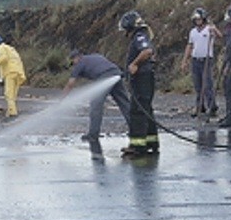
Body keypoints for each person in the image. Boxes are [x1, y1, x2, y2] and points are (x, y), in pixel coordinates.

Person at [63, 50, 131, 158]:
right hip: (116, 73)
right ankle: (136, 130)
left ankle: (93, 135)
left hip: (105, 77)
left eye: (73, 63)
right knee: (125, 104)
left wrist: (62, 100)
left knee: (95, 105)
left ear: (76, 58)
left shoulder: (80, 63)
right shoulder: (95, 56)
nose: (73, 65)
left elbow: (70, 84)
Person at [118, 10, 159, 157]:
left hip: (143, 79)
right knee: (146, 110)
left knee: (138, 111)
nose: (125, 33)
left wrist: (134, 64)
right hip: (143, 79)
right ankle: (151, 142)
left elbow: (147, 51)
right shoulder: (141, 35)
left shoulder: (140, 36)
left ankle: (138, 146)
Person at [180, 7, 222, 117]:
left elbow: (220, 36)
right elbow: (190, 46)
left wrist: (215, 30)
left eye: (199, 19)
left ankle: (212, 106)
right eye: (196, 20)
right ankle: (200, 106)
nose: (197, 21)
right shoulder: (193, 32)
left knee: (208, 84)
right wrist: (185, 60)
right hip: (195, 60)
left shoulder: (209, 29)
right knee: (198, 84)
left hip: (206, 59)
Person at [0, 35, 27, 118]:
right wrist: (1, 79)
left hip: (11, 72)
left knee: (8, 94)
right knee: (13, 95)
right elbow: (3, 65)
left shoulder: (1, 48)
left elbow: (4, 58)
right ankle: (11, 111)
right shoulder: (10, 49)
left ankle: (13, 114)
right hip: (18, 72)